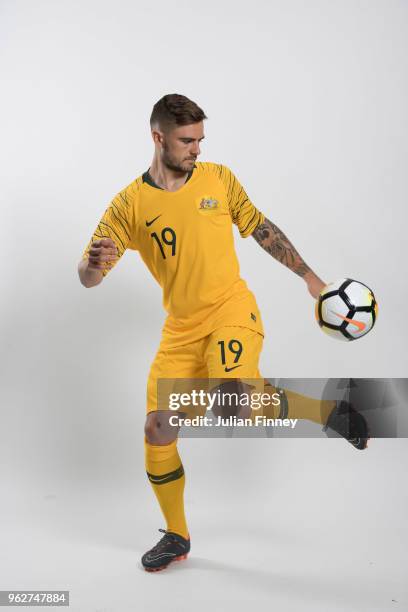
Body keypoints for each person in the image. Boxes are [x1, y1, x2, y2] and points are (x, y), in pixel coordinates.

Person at [78, 93, 369, 572]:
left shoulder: (219, 178)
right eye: (187, 140)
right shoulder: (128, 205)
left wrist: (311, 279)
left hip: (231, 310)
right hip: (181, 330)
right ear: (158, 138)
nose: (197, 149)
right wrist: (90, 265)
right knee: (157, 428)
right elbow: (88, 276)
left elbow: (261, 228)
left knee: (234, 400)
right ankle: (177, 535)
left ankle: (330, 413)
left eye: (200, 139)